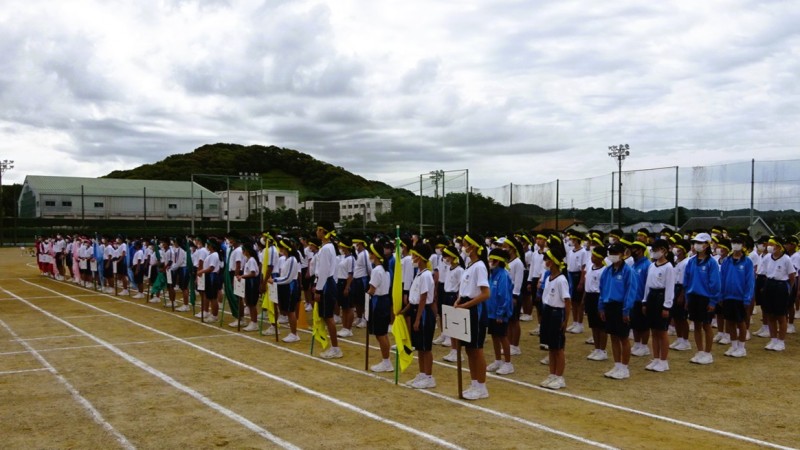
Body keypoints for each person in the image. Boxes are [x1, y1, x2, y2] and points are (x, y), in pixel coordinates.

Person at [455, 233, 491, 400]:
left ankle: (482, 386)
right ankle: (474, 382)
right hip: (465, 306)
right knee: (469, 349)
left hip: (474, 310)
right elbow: (464, 289)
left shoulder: (480, 266)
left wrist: (466, 305)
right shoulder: (470, 265)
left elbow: (485, 294)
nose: (463, 247)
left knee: (476, 349)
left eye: (465, 244)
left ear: (474, 246)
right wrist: (458, 301)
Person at [599, 243, 638, 380]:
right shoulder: (607, 270)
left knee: (623, 337)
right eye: (610, 252)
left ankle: (624, 368)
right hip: (609, 306)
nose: (612, 255)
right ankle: (617, 365)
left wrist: (626, 310)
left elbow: (631, 291)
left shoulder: (628, 271)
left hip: (621, 307)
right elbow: (602, 289)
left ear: (622, 254)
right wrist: (601, 307)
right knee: (613, 337)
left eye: (615, 252)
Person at [684, 232, 721, 364]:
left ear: (706, 245)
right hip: (693, 297)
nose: (696, 245)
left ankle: (708, 353)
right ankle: (700, 351)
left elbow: (715, 283)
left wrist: (712, 301)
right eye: (695, 243)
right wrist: (687, 298)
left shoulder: (711, 263)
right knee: (697, 325)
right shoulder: (691, 261)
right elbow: (687, 280)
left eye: (699, 243)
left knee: (706, 325)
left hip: (705, 298)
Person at [403, 243, 436, 388]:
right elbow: (414, 297)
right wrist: (404, 312)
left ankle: (429, 376)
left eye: (415, 255)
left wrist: (417, 319)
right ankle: (422, 373)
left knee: (426, 347)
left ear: (421, 257)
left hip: (423, 313)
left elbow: (423, 298)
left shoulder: (427, 275)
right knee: (420, 347)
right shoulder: (419, 273)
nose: (412, 257)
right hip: (417, 310)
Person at [539, 240, 570, 389]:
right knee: (550, 346)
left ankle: (559, 377)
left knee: (558, 348)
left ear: (554, 262)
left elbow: (567, 301)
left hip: (557, 313)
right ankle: (552, 374)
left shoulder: (561, 280)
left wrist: (565, 320)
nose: (545, 262)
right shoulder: (548, 277)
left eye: (547, 259)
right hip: (548, 312)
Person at [641, 239, 675, 372]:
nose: (655, 252)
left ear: (664, 251)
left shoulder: (668, 267)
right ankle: (656, 358)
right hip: (651, 297)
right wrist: (645, 301)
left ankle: (663, 360)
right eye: (653, 250)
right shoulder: (651, 265)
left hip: (661, 297)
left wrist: (667, 306)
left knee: (662, 331)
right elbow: (647, 285)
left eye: (657, 249)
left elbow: (670, 287)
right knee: (654, 331)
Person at [719, 235, 754, 357]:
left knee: (740, 322)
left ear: (743, 245)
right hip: (728, 296)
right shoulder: (727, 261)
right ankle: (733, 346)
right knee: (729, 322)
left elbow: (750, 281)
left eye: (738, 243)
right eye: (733, 242)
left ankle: (741, 347)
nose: (735, 245)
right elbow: (722, 278)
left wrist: (747, 298)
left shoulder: (747, 261)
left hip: (740, 297)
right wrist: (721, 295)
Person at [313, 221, 343, 359]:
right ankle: (334, 346)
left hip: (326, 283)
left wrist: (318, 290)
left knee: (328, 316)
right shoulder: (327, 247)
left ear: (323, 231)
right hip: (327, 282)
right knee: (326, 316)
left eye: (318, 229)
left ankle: (335, 348)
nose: (316, 231)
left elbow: (324, 271)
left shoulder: (326, 248)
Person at [763, 236, 795, 351]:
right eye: (769, 244)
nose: (770, 247)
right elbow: (766, 272)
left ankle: (781, 341)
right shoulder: (767, 258)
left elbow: (792, 277)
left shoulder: (786, 259)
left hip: (781, 286)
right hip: (770, 284)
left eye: (773, 244)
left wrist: (788, 290)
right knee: (770, 315)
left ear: (779, 246)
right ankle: (773, 339)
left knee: (781, 316)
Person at [486, 248, 515, 376]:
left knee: (502, 336)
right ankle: (498, 360)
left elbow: (504, 296)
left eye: (491, 259)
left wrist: (500, 313)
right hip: (491, 312)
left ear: (497, 261)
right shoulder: (492, 274)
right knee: (494, 336)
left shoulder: (503, 275)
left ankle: (508, 363)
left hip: (499, 313)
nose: (489, 261)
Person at [367, 240, 394, 372]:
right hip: (384, 301)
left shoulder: (377, 270)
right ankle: (386, 360)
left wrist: (366, 296)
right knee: (382, 333)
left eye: (371, 253)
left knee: (380, 334)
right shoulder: (385, 270)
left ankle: (386, 362)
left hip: (378, 302)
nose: (369, 255)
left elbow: (372, 290)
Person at [270, 238, 302, 341]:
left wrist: (274, 280)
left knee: (290, 310)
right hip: (284, 286)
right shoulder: (286, 259)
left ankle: (294, 334)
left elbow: (288, 277)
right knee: (286, 310)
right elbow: (283, 275)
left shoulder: (292, 259)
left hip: (290, 286)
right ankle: (292, 333)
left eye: (281, 248)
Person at [584, 245, 608, 361]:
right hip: (589, 296)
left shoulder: (604, 270)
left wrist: (602, 303)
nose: (592, 258)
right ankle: (596, 348)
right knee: (593, 325)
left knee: (601, 326)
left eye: (594, 256)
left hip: (598, 297)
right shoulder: (590, 267)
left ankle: (602, 350)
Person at [441, 245, 464, 362]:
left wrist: (458, 299)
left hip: (453, 297)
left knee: (456, 325)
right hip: (446, 295)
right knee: (450, 325)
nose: (445, 258)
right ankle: (453, 350)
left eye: (447, 256)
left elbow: (461, 286)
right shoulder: (449, 268)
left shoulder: (460, 270)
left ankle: (458, 351)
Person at [669, 239, 692, 351]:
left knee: (682, 317)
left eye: (678, 248)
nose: (676, 250)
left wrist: (682, 295)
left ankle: (686, 341)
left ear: (683, 250)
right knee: (676, 316)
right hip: (675, 287)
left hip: (682, 289)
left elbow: (685, 280)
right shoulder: (677, 262)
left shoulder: (687, 263)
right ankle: (679, 339)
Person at [629, 240, 652, 357]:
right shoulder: (633, 264)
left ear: (642, 251)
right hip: (633, 299)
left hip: (642, 299)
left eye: (636, 249)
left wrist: (645, 301)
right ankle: (637, 344)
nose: (633, 251)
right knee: (635, 323)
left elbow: (648, 284)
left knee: (644, 324)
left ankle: (644, 346)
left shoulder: (647, 265)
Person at [238, 244, 262, 332]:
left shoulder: (251, 260)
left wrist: (242, 276)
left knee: (252, 304)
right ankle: (253, 321)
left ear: (247, 251)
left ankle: (254, 323)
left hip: (252, 282)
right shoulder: (248, 260)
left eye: (243, 250)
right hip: (248, 281)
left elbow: (253, 273)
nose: (242, 252)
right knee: (249, 302)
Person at [335, 237, 356, 338]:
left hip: (346, 283)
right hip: (340, 282)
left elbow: (350, 274)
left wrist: (347, 287)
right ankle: (344, 327)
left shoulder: (351, 259)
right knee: (344, 307)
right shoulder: (343, 257)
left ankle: (348, 328)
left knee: (349, 307)